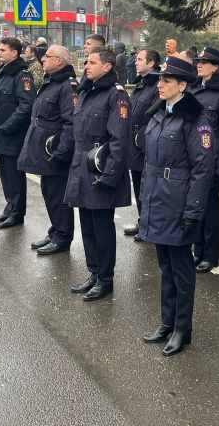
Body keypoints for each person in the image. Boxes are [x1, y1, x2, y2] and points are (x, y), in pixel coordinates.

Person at [138, 56, 215, 356]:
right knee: (165, 266)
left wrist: (194, 211)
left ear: (183, 85)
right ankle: (166, 322)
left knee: (182, 271)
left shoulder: (196, 118)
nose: (160, 85)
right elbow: (149, 163)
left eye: (166, 80)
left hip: (179, 200)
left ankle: (183, 328)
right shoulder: (158, 113)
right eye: (159, 80)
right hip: (157, 199)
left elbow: (202, 169)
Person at [63, 46, 131, 301]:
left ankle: (105, 279)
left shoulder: (116, 96)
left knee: (102, 227)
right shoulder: (87, 91)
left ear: (107, 67)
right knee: (88, 225)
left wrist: (110, 175)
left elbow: (119, 139)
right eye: (86, 62)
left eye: (92, 62)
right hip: (81, 165)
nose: (86, 66)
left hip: (100, 168)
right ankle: (93, 272)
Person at [18, 45, 79, 255]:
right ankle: (55, 231)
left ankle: (63, 237)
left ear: (60, 61)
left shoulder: (67, 86)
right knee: (48, 192)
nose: (43, 59)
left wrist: (61, 152)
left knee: (58, 196)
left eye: (47, 56)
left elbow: (71, 123)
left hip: (55, 150)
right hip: (44, 149)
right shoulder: (52, 81)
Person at [188, 47, 219, 273]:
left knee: (209, 209)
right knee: (195, 206)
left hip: (212, 160)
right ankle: (198, 250)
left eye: (205, 62)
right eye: (198, 61)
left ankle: (210, 255)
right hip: (193, 159)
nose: (199, 64)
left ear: (216, 67)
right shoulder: (194, 88)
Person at [0, 38, 36, 229]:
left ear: (14, 53)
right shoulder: (4, 71)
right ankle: (9, 207)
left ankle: (17, 213)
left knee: (14, 175)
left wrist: (9, 126)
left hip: (12, 132)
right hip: (0, 129)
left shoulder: (21, 76)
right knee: (5, 173)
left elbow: (27, 104)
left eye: (3, 50)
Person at [123, 48, 161, 240]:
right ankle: (142, 221)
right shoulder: (141, 85)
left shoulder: (157, 86)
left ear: (151, 63)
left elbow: (155, 116)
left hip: (146, 143)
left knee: (149, 188)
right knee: (138, 186)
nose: (135, 62)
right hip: (134, 143)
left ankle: (150, 225)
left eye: (139, 59)